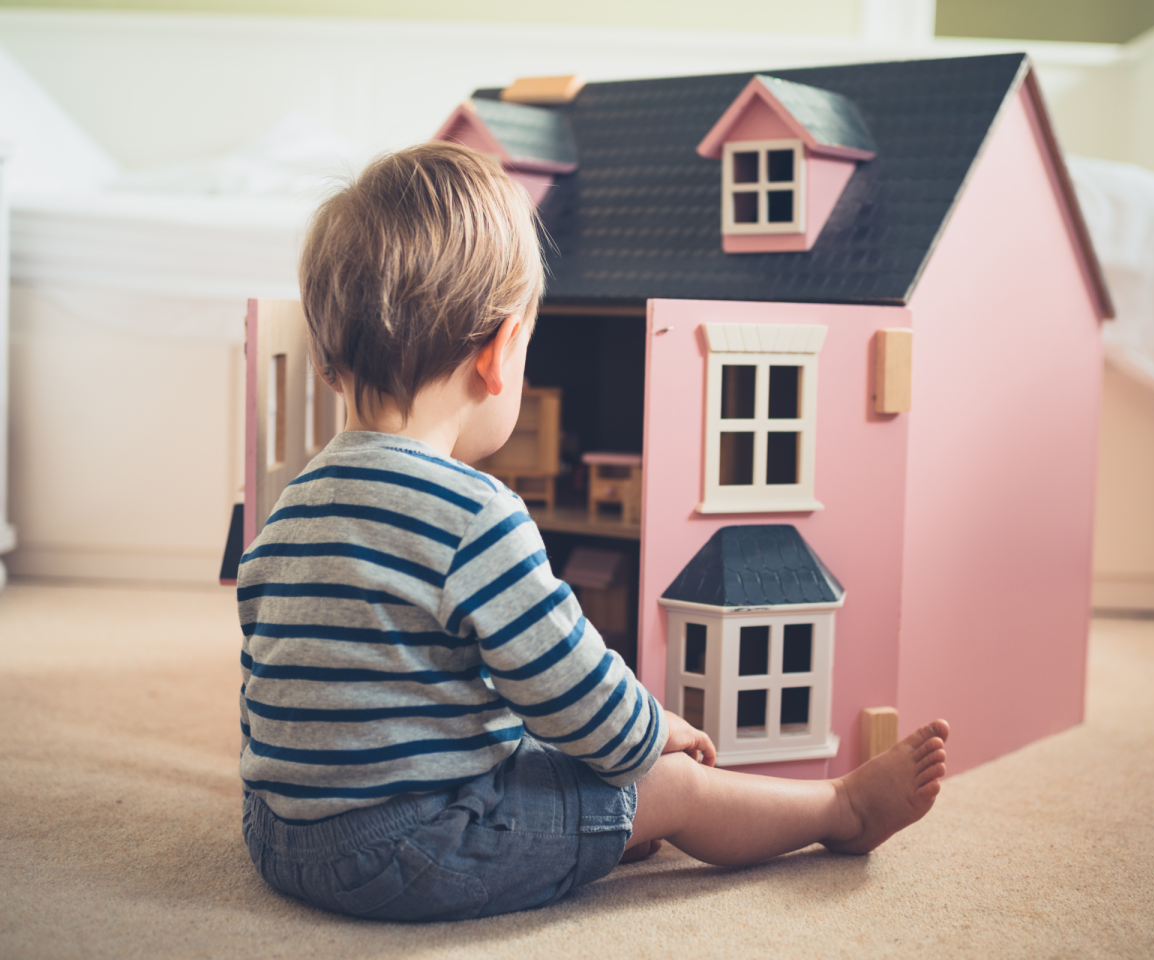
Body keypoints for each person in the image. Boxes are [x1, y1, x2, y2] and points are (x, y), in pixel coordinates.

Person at [237, 141, 949, 922]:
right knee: (668, 784)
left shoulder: (289, 509)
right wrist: (653, 735)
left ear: (330, 363)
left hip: (281, 840)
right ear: (501, 354)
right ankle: (840, 811)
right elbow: (573, 693)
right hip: (411, 851)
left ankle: (597, 826)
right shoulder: (475, 515)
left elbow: (277, 692)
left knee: (536, 754)